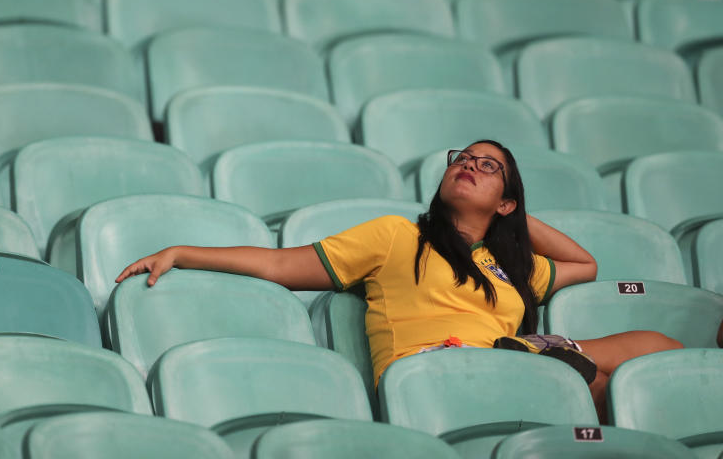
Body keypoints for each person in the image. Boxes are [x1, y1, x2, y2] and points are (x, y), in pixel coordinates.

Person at [116, 139, 683, 422]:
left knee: (664, 350)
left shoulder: (509, 266)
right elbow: (279, 265)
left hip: (514, 356)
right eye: (463, 158)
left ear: (507, 199)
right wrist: (184, 252)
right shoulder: (396, 236)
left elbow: (586, 266)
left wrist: (512, 215)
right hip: (439, 367)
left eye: (489, 167)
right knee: (599, 392)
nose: (469, 164)